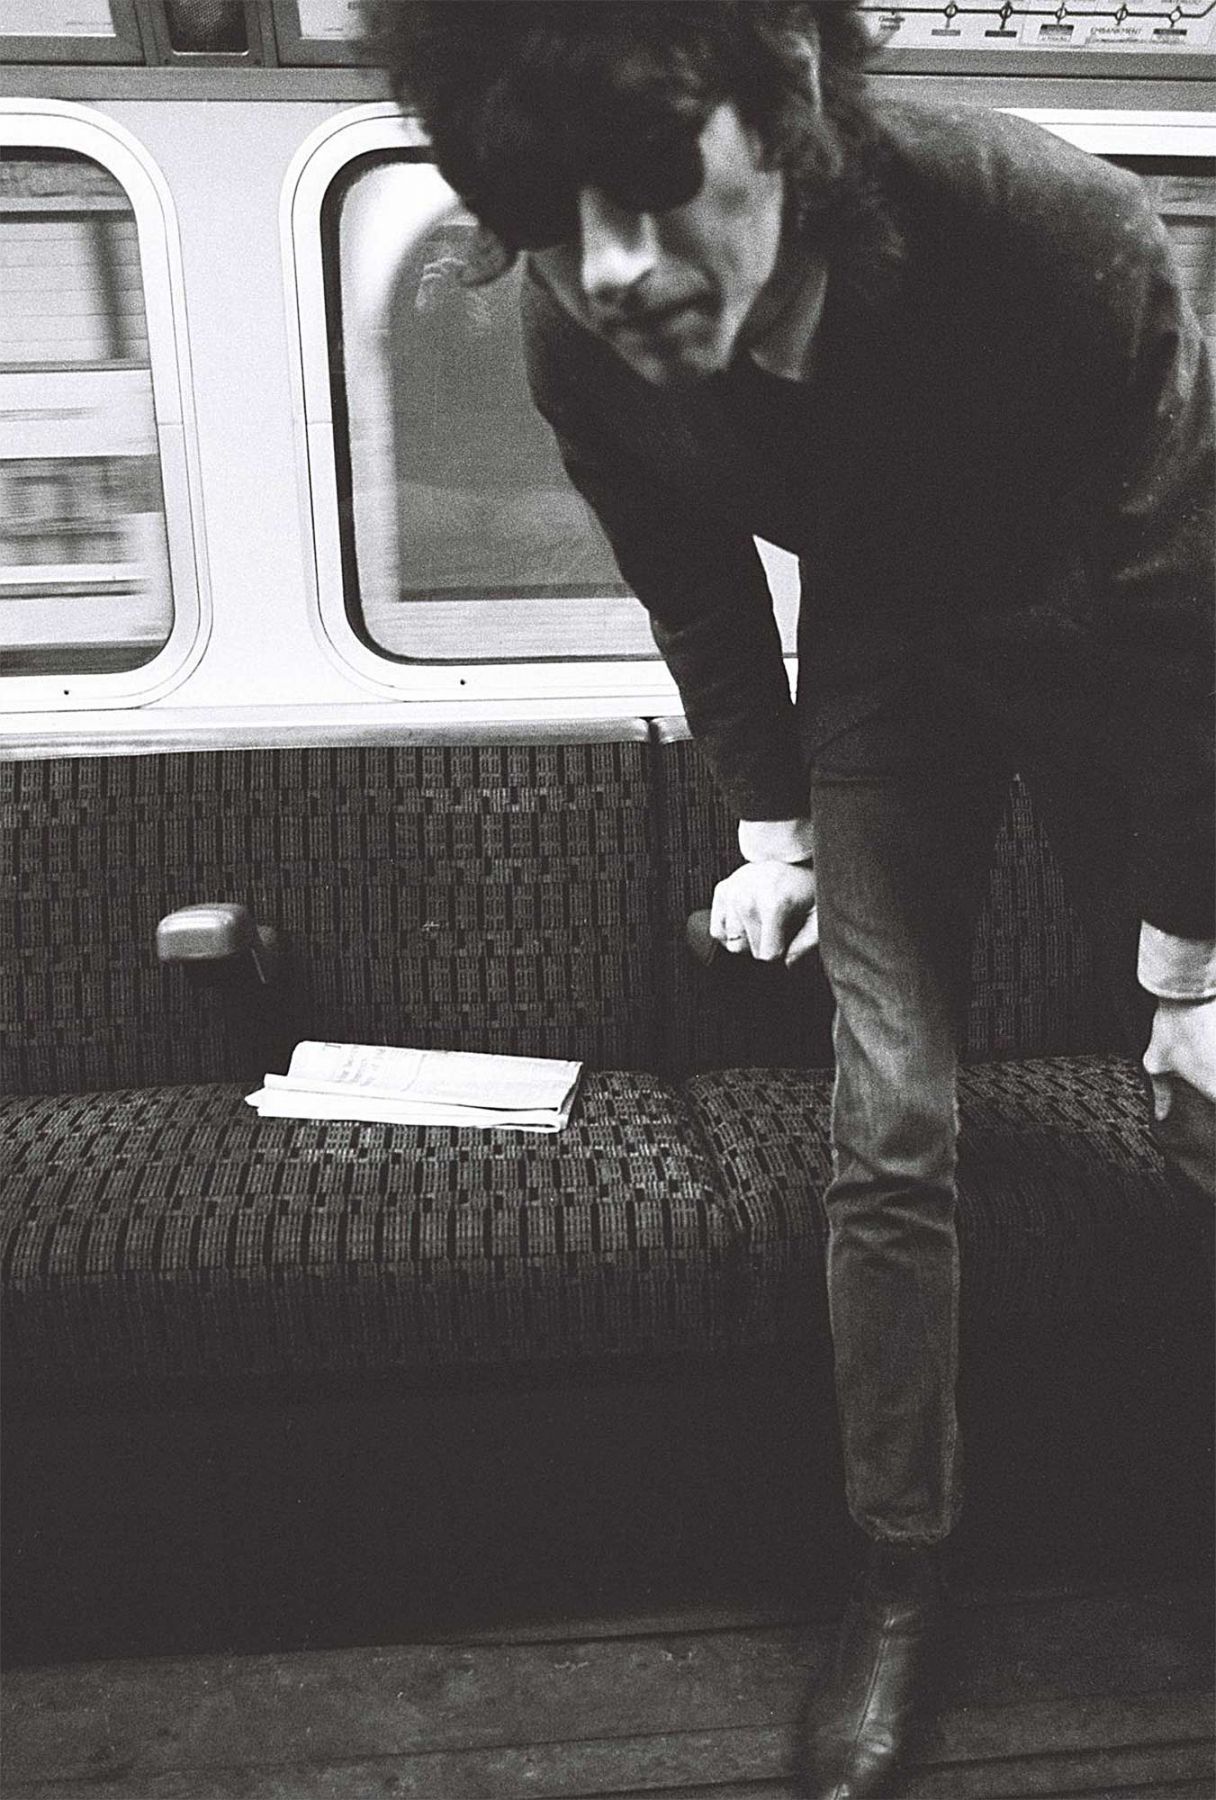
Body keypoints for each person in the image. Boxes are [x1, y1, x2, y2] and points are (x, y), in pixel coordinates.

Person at [362, 4, 1215, 1794]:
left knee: (1211, 1090)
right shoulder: (574, 329)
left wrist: (1186, 947)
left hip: (1110, 642)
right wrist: (775, 834)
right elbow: (693, 583)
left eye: (658, 188)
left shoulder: (1052, 231)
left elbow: (1180, 615)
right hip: (887, 671)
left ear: (787, 103)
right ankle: (900, 1581)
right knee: (888, 1123)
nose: (613, 270)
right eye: (548, 215)